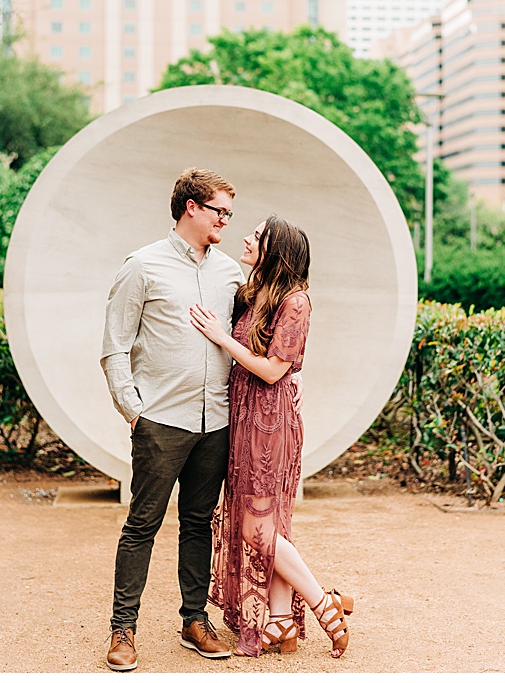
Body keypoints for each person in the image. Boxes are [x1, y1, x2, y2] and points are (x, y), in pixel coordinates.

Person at [100, 168, 246, 671]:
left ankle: (194, 621)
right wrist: (134, 411)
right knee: (142, 525)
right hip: (161, 421)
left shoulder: (230, 273)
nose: (226, 219)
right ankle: (123, 630)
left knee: (198, 523)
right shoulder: (142, 266)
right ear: (190, 207)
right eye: (219, 210)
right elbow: (114, 346)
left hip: (217, 420)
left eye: (230, 212)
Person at [190, 216, 353, 658]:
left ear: (275, 248)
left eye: (258, 236)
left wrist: (222, 338)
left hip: (269, 421)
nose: (246, 237)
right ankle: (280, 622)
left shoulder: (296, 302)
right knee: (269, 525)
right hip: (244, 416)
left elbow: (272, 369)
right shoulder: (257, 293)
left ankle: (322, 603)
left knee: (253, 526)